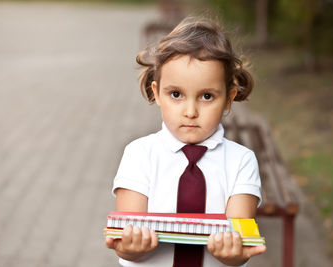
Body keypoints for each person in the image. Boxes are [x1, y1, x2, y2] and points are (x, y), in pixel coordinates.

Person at [105, 16, 266, 267]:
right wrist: (131, 247)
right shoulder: (139, 155)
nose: (190, 111)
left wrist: (232, 252)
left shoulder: (241, 161)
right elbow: (124, 243)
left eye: (206, 96)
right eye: (176, 94)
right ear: (157, 93)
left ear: (228, 98)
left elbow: (239, 244)